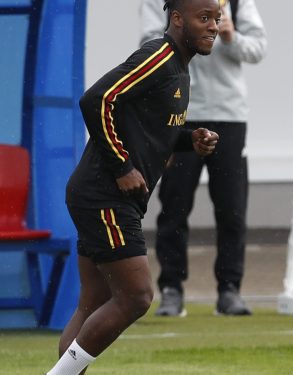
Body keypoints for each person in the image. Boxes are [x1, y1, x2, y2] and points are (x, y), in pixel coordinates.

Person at [46, 0, 221, 373]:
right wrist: (122, 166)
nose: (213, 26)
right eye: (203, 17)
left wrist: (191, 139)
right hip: (105, 193)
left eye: (217, 18)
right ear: (177, 19)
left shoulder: (179, 69)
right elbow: (97, 99)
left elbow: (149, 131)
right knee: (138, 296)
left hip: (98, 194)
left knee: (92, 304)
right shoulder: (157, 55)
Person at [140, 0, 267, 317]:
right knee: (174, 205)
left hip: (229, 114)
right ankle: (171, 289)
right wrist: (189, 31)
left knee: (232, 208)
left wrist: (230, 37)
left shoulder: (237, 2)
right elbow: (147, 44)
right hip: (180, 113)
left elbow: (258, 49)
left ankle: (229, 291)